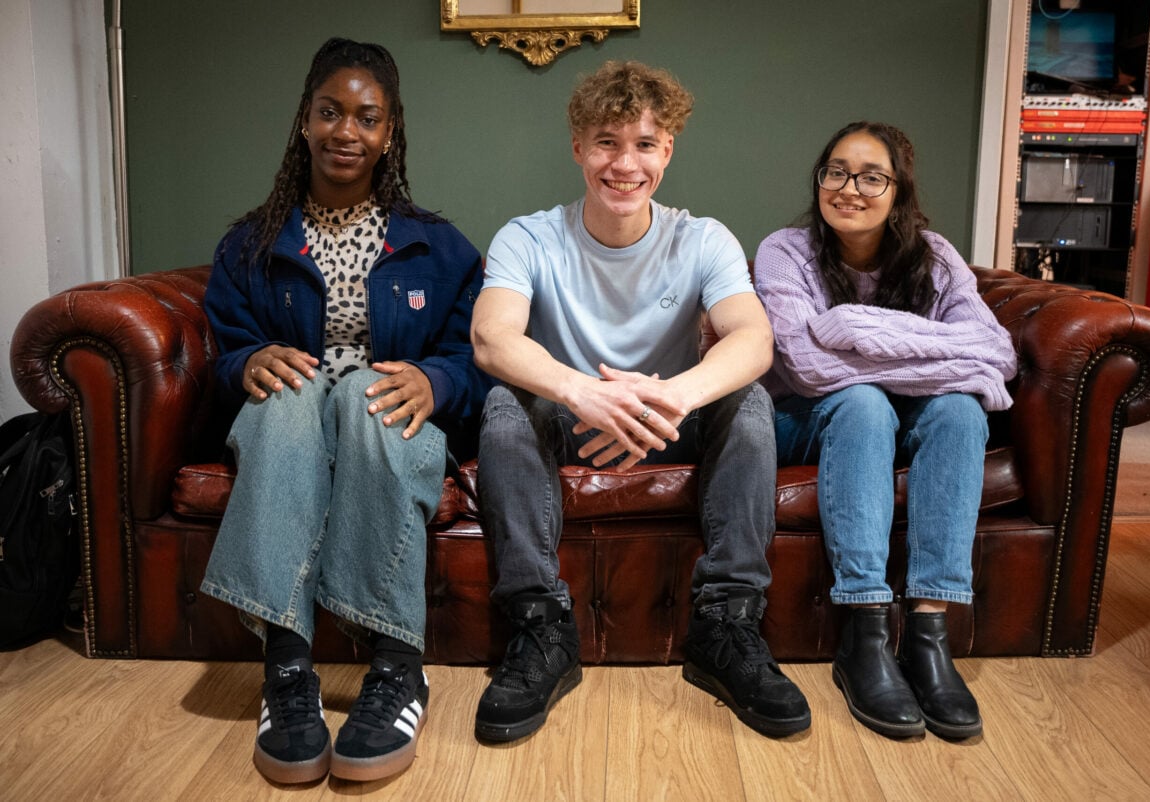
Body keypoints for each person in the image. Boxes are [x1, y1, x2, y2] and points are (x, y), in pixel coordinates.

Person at [469, 60, 810, 742]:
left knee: (747, 404)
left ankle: (726, 627)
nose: (625, 164)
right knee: (506, 408)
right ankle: (541, 632)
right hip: (573, 421)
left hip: (674, 416)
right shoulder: (528, 236)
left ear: (668, 151)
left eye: (645, 144)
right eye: (606, 142)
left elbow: (753, 340)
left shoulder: (702, 238)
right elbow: (491, 337)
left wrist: (668, 401)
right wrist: (585, 393)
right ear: (576, 148)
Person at [199, 38, 491, 784]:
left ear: (389, 133)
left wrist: (437, 384)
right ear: (304, 120)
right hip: (287, 425)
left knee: (370, 394)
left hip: (387, 426)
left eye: (367, 117)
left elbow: (474, 360)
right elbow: (221, 355)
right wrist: (247, 363)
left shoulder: (442, 249)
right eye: (330, 112)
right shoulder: (249, 245)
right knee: (293, 396)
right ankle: (287, 670)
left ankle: (397, 667)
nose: (346, 132)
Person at [753, 121, 1018, 740]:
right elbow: (809, 366)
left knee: (959, 410)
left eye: (872, 176)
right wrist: (930, 354)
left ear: (898, 191)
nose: (850, 188)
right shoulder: (784, 250)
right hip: (806, 416)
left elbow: (996, 352)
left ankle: (929, 633)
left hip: (904, 413)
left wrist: (855, 326)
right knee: (865, 400)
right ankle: (864, 630)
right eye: (836, 172)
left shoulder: (936, 257)